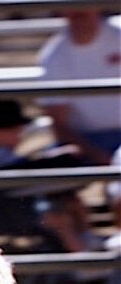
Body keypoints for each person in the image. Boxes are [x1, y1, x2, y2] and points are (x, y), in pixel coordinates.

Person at [37, 8, 121, 166]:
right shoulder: (55, 56)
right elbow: (59, 124)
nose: (80, 16)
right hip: (86, 141)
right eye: (74, 10)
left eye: (84, 8)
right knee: (57, 162)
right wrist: (101, 157)